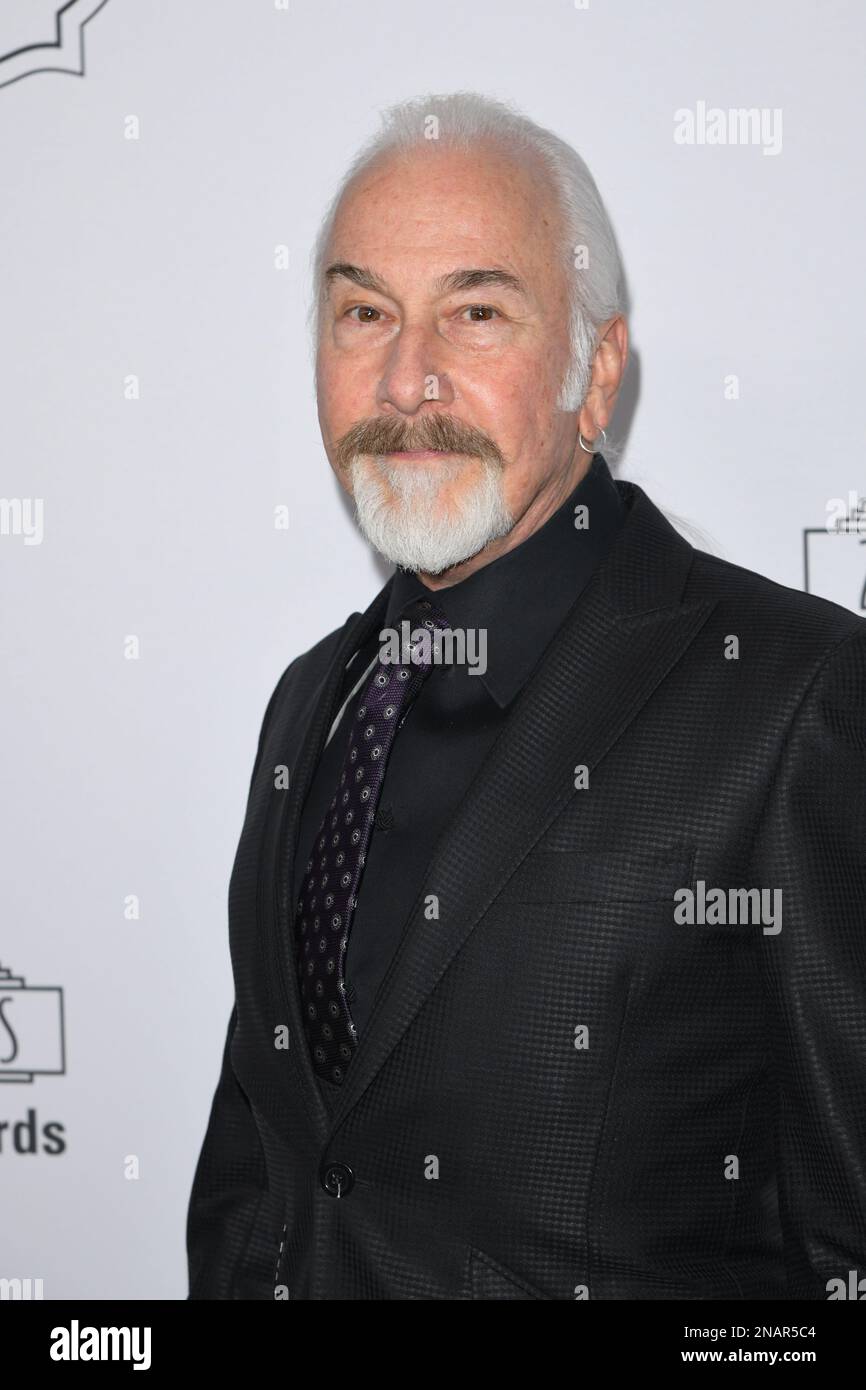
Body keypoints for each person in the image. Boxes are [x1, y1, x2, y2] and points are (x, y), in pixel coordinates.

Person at [187, 92, 866, 1300]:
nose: (407, 380)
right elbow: (270, 1174)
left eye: (475, 312)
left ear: (593, 371)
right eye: (363, 313)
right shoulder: (310, 703)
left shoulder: (791, 697)